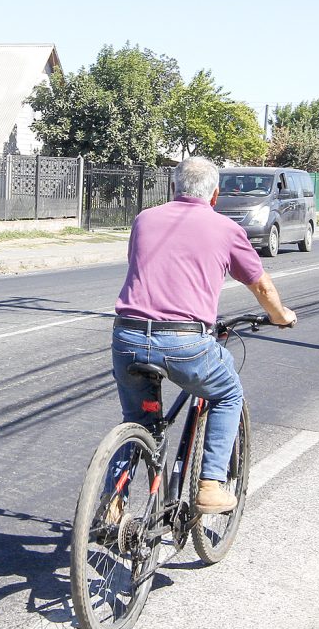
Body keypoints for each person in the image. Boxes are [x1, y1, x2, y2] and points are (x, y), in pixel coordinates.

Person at [112, 156, 297, 516]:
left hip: (128, 337)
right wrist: (281, 316)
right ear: (215, 195)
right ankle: (211, 485)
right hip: (185, 342)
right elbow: (260, 285)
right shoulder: (226, 229)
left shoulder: (144, 219)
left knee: (138, 421)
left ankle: (111, 504)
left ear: (172, 188)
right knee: (228, 393)